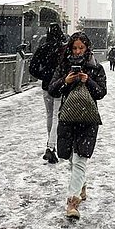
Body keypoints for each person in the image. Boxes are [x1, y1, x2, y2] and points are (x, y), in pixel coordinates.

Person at [48, 31, 107, 219]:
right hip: (68, 117)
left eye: (81, 47)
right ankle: (81, 184)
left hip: (88, 119)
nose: (78, 51)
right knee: (72, 160)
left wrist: (87, 80)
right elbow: (52, 90)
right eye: (74, 48)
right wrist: (65, 81)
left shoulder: (96, 67)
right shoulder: (64, 66)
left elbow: (101, 93)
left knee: (81, 158)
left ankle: (72, 203)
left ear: (87, 48)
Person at [28, 23, 67, 163]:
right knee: (57, 116)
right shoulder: (63, 49)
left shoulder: (43, 48)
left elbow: (32, 68)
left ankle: (50, 142)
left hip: (46, 86)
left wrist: (44, 75)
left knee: (49, 115)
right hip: (60, 85)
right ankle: (51, 146)